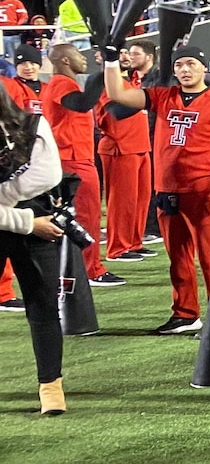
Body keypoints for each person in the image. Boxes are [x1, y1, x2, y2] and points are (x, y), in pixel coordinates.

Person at [103, 41, 210, 335]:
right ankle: (185, 313)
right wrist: (110, 63)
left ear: (204, 67)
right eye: (179, 65)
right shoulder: (163, 95)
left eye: (191, 63)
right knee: (177, 258)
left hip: (203, 191)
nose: (184, 69)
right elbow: (117, 94)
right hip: (168, 190)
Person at [0, 78, 65, 412]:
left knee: (42, 303)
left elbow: (48, 176)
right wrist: (23, 219)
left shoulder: (33, 123)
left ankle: (50, 385)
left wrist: (3, 201)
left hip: (39, 221)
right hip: (32, 221)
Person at [41, 45, 112, 286]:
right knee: (86, 217)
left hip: (75, 157)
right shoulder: (61, 82)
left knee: (84, 216)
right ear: (64, 60)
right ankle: (91, 270)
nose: (83, 58)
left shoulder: (65, 83)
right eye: (77, 54)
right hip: (73, 159)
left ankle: (82, 269)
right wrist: (104, 71)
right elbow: (81, 103)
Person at [97, 37, 156, 264]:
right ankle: (117, 248)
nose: (126, 56)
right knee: (121, 202)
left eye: (128, 52)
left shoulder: (132, 82)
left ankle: (134, 242)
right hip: (119, 147)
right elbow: (112, 113)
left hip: (140, 146)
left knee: (139, 200)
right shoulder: (107, 83)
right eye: (122, 53)